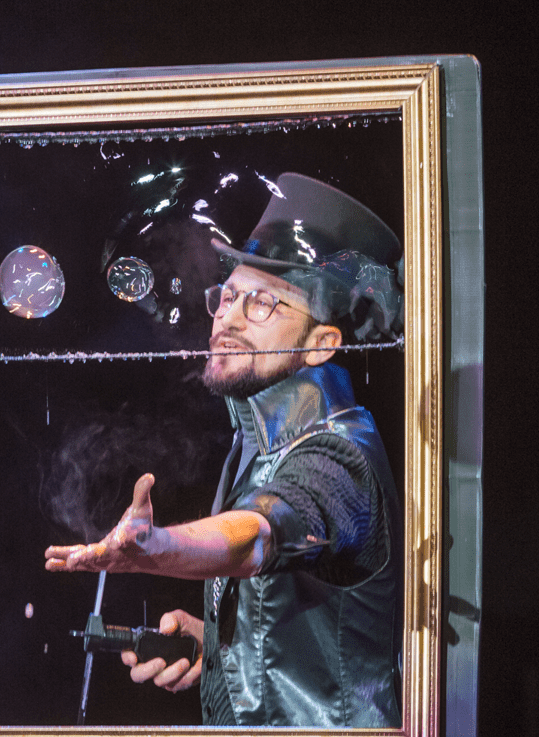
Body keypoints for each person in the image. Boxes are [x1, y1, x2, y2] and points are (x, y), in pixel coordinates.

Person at [44, 173, 404, 728]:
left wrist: (157, 546)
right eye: (228, 296)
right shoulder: (255, 449)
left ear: (320, 345)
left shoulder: (339, 453)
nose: (227, 318)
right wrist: (216, 646)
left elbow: (259, 535)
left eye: (262, 304)